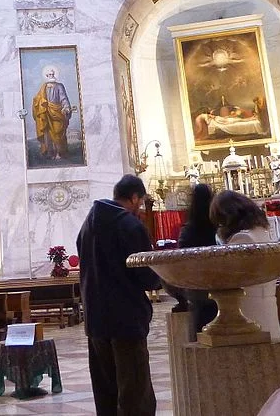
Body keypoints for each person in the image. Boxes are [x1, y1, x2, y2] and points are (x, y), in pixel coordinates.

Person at [76, 174, 162, 416]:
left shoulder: (88, 224)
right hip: (126, 319)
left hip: (95, 319)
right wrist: (160, 278)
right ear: (134, 197)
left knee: (106, 392)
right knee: (135, 392)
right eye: (142, 201)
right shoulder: (130, 225)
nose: (141, 207)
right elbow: (146, 275)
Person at [210, 190, 280, 341]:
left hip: (248, 309)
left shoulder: (243, 238)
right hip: (266, 305)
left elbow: (228, 277)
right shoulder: (261, 232)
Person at [176, 183, 218, 339]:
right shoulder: (219, 226)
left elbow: (181, 259)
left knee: (200, 331)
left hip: (197, 286)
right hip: (220, 284)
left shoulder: (188, 230)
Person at [31, 65, 73, 160]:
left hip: (57, 112)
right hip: (46, 112)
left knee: (58, 133)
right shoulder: (44, 87)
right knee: (48, 134)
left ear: (54, 75)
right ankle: (51, 153)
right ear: (47, 75)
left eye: (52, 74)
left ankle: (60, 153)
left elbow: (64, 98)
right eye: (49, 74)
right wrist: (38, 102)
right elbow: (38, 99)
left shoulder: (59, 86)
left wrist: (66, 107)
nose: (51, 76)